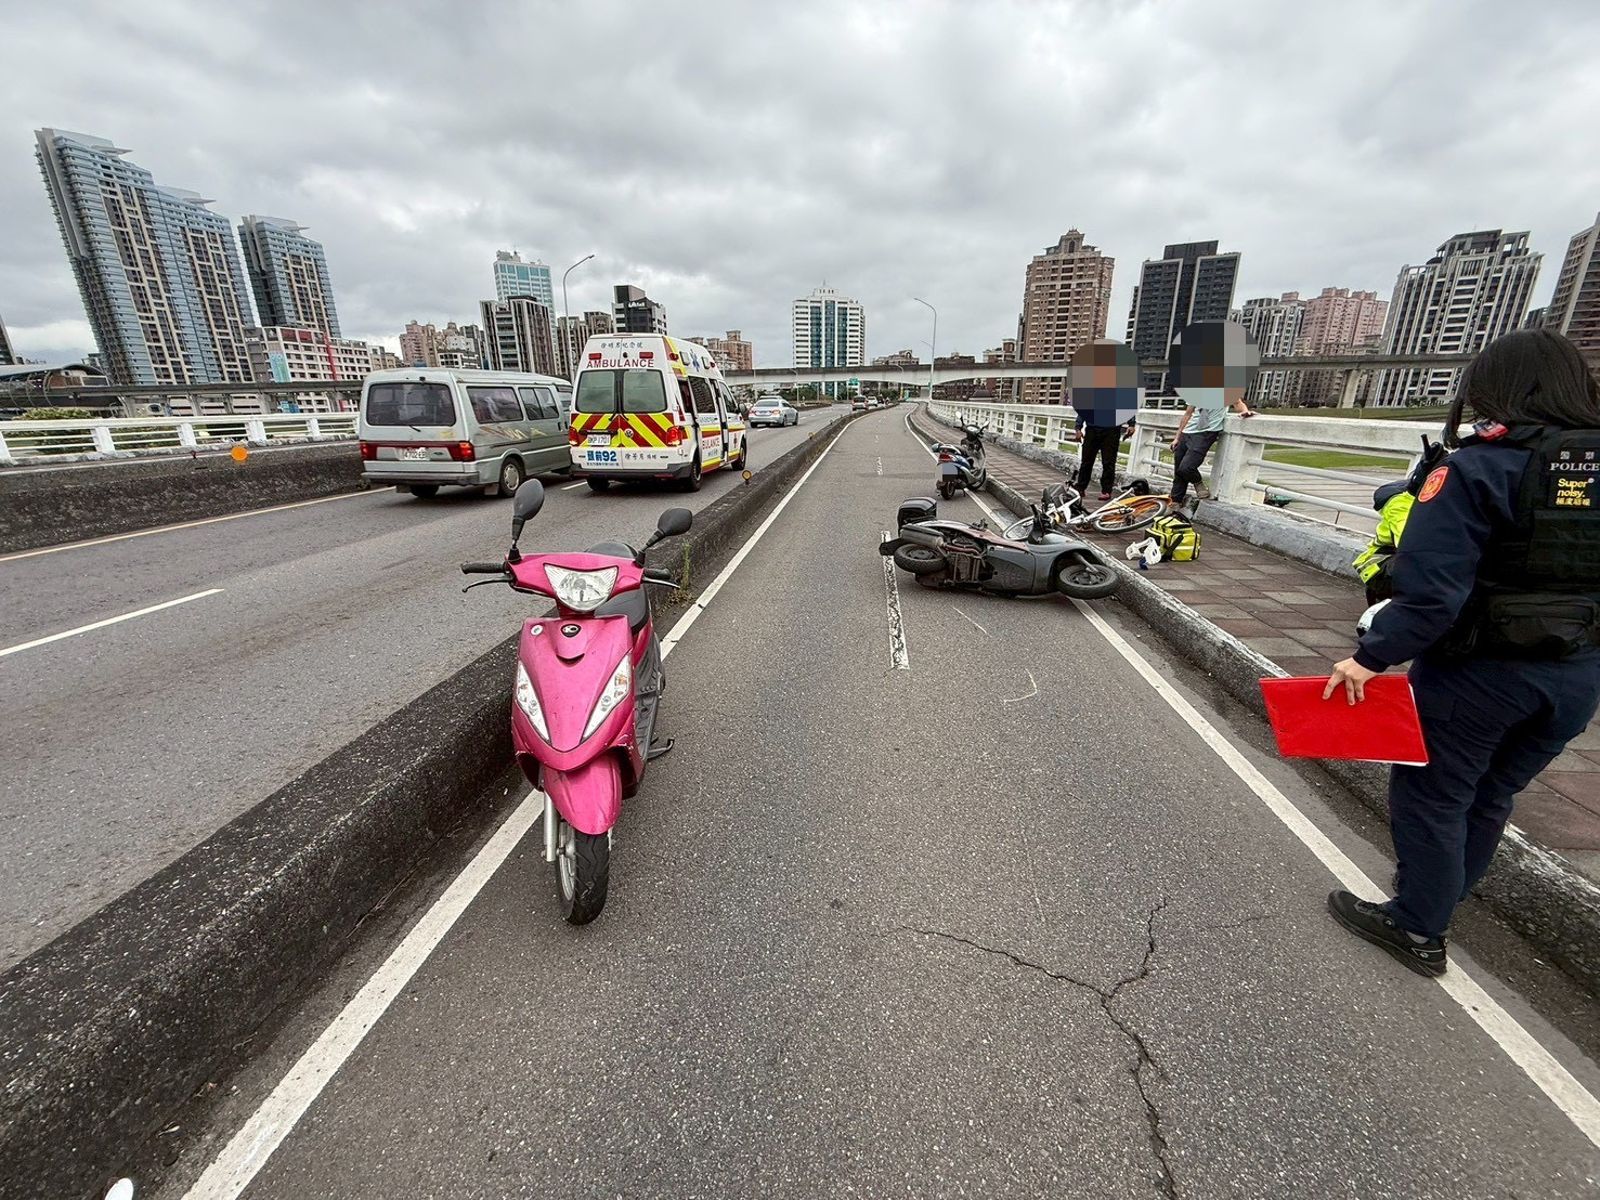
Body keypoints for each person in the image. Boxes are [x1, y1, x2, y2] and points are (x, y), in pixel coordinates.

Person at [1323, 329, 1600, 976]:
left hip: (1482, 671)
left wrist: (1370, 657)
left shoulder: (1478, 466)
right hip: (1578, 673)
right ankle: (1443, 897)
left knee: (1434, 795)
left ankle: (1417, 925)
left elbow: (1431, 591)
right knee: (1492, 795)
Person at [1352, 437, 1449, 604]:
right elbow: (1410, 545)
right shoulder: (1401, 504)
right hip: (1380, 566)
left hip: (1400, 561)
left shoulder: (1437, 502)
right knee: (1423, 566)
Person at [1169, 392, 1254, 510]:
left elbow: (1238, 403)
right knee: (1178, 471)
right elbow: (1188, 414)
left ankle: (1198, 483)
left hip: (1205, 433)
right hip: (1187, 432)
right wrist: (1177, 437)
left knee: (1187, 467)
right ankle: (1175, 501)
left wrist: (1244, 411)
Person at [1074, 412, 1136, 500]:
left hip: (1111, 431)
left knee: (1108, 462)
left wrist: (1131, 424)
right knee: (1086, 461)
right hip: (1092, 429)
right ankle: (1080, 487)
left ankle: (1106, 490)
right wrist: (1078, 428)